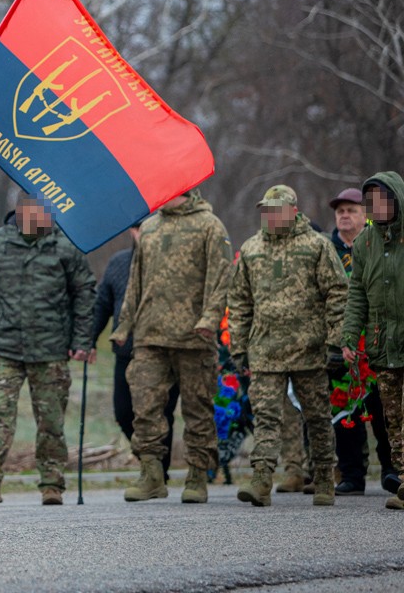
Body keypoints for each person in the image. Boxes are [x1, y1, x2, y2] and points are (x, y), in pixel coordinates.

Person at [0, 196, 96, 506]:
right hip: (3, 346)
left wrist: (82, 341)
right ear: (19, 212)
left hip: (51, 348)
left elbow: (85, 294)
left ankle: (51, 482)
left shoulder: (65, 246)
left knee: (51, 419)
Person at [228, 185, 347, 507]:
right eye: (266, 210)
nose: (271, 215)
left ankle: (323, 478)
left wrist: (335, 342)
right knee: (266, 418)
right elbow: (239, 301)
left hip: (309, 350)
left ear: (293, 211)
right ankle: (261, 480)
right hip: (265, 351)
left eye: (277, 210)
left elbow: (338, 293)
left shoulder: (315, 246)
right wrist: (238, 348)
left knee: (318, 418)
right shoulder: (252, 249)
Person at [113, 188, 232, 504]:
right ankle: (151, 475)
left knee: (198, 409)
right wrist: (124, 325)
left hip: (194, 337)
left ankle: (196, 476)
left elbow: (221, 279)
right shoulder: (150, 226)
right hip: (150, 335)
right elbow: (135, 281)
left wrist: (209, 319)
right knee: (145, 408)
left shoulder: (210, 225)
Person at [92, 225, 179, 481]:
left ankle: (158, 471)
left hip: (164, 349)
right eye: (140, 228)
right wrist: (88, 341)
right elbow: (103, 304)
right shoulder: (119, 262)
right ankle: (148, 459)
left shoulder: (172, 259)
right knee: (124, 412)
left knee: (162, 412)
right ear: (132, 231)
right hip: (126, 350)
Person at [326, 187, 398, 495]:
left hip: (379, 342)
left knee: (384, 409)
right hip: (341, 342)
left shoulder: (380, 243)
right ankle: (352, 475)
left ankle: (392, 470)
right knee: (345, 411)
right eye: (340, 210)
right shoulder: (325, 249)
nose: (344, 215)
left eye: (351, 210)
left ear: (364, 215)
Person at [341, 172, 404, 509]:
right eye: (371, 201)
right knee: (393, 417)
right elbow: (357, 296)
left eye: (383, 199)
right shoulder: (365, 243)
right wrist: (349, 336)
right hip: (383, 343)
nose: (377, 206)